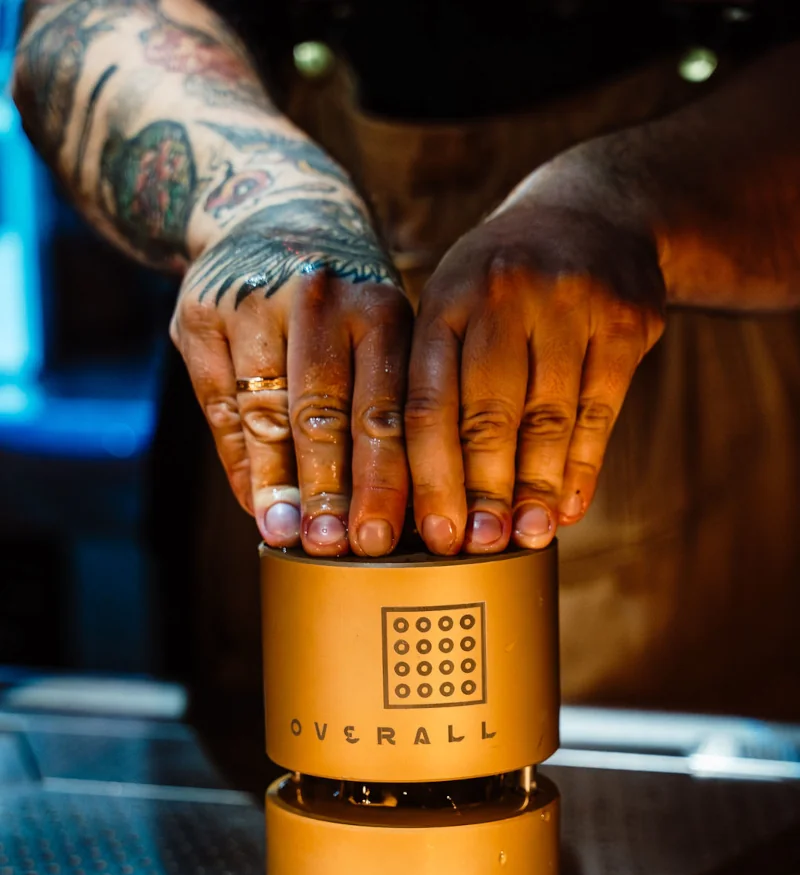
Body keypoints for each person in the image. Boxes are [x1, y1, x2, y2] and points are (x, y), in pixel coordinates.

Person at [12, 0, 800, 783]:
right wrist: (263, 207)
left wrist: (622, 207)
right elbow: (77, 22)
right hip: (282, 317)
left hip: (695, 277)